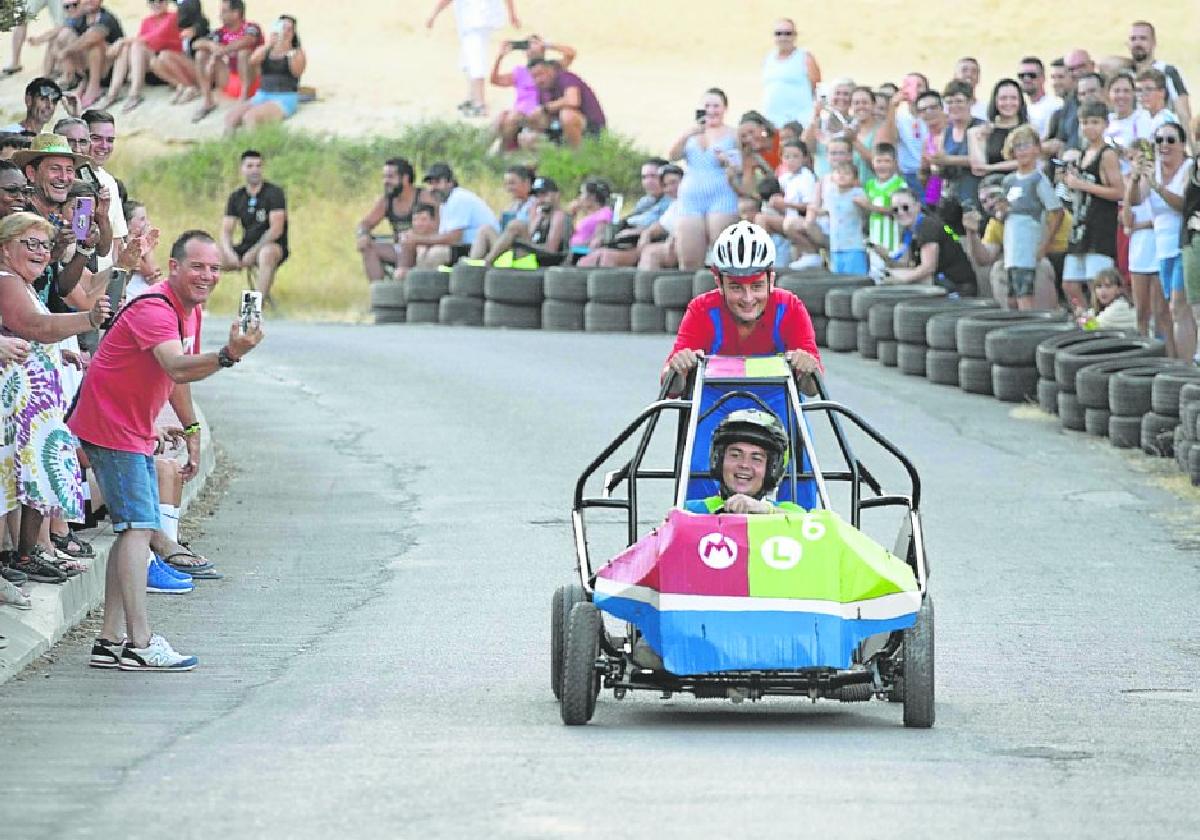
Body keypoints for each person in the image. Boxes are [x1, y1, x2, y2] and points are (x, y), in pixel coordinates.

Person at [69, 229, 261, 672]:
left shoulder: (185, 310)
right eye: (197, 266)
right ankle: (139, 642)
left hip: (126, 426)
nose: (207, 275)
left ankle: (108, 640)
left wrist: (189, 427)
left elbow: (176, 377)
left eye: (214, 268)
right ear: (173, 267)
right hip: (112, 427)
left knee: (132, 529)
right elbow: (176, 364)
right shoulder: (156, 309)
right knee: (139, 527)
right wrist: (229, 354)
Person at [0, 211, 111, 584]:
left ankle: (25, 554)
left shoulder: (22, 282)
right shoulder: (6, 281)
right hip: (17, 404)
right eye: (29, 244)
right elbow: (36, 326)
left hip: (35, 404)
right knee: (22, 478)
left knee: (32, 478)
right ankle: (18, 556)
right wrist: (87, 321)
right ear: (4, 249)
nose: (40, 252)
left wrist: (61, 348)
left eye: (45, 245)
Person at [664, 221, 822, 392]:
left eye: (756, 286)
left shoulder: (790, 308)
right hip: (714, 404)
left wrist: (808, 370)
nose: (748, 299)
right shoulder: (702, 310)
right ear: (719, 283)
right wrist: (677, 370)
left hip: (776, 402)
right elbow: (672, 389)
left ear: (771, 281)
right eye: (736, 287)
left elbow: (813, 390)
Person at [1132, 121, 1195, 362]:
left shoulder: (1190, 168)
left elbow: (1185, 204)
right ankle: (1172, 363)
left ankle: (1187, 365)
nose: (1164, 145)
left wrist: (1157, 186)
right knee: (1163, 312)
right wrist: (1136, 178)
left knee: (1179, 307)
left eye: (1170, 140)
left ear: (1181, 144)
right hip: (1161, 248)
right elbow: (1135, 202)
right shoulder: (1153, 169)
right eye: (1159, 140)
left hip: (1185, 245)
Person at [962, 174, 1064, 310]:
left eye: (993, 196)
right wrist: (972, 233)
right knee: (999, 269)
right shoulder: (995, 223)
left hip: (1064, 258)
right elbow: (984, 259)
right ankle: (1014, 322)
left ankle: (1045, 320)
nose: (989, 204)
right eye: (984, 202)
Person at [1060, 102, 1123, 311]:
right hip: (1080, 225)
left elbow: (1118, 192)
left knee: (1097, 283)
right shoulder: (1082, 152)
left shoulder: (1107, 154)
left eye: (1095, 122)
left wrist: (1084, 185)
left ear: (1105, 124)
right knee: (1070, 283)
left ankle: (1104, 326)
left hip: (1100, 226)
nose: (1089, 128)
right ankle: (1089, 325)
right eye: (1085, 123)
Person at [669, 88, 741, 270]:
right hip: (691, 197)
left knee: (722, 255)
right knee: (689, 258)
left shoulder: (733, 134)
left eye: (716, 106)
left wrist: (727, 159)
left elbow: (741, 164)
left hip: (721, 195)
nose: (711, 111)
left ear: (725, 108)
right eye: (707, 106)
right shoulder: (692, 134)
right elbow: (673, 155)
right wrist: (688, 134)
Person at [683, 410, 804, 515]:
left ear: (772, 469)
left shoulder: (790, 512)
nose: (744, 465)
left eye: (756, 458)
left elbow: (817, 523)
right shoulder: (692, 511)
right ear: (719, 461)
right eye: (735, 455)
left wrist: (767, 511)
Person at [998, 127, 1064, 310]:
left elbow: (1057, 211)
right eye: (1017, 146)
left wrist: (1044, 244)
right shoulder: (1009, 181)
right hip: (1011, 248)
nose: (1022, 151)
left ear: (1036, 148)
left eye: (1027, 145)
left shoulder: (1038, 180)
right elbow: (1002, 215)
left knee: (1025, 297)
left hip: (1027, 248)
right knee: (1011, 299)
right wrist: (1000, 212)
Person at [396, 162, 496, 273]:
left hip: (478, 248)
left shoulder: (459, 198)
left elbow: (453, 238)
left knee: (435, 255)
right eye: (430, 184)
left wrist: (417, 239)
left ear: (450, 182)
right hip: (463, 247)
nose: (433, 188)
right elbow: (443, 234)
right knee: (422, 252)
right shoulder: (444, 203)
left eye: (437, 183)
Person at [426, 0, 519, 118]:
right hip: (472, 19)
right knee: (468, 58)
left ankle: (479, 103)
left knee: (476, 59)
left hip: (476, 18)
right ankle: (472, 97)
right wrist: (512, 14)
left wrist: (433, 14)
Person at [876, 188, 977, 297]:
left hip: (958, 287)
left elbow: (928, 268)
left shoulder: (927, 226)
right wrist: (886, 258)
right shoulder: (908, 230)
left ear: (917, 206)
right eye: (895, 210)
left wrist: (899, 277)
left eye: (905, 207)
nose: (901, 212)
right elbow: (906, 264)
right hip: (940, 282)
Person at [575, 158, 670, 267]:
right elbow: (626, 220)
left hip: (646, 243)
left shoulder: (673, 201)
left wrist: (640, 231)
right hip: (624, 240)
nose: (648, 182)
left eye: (653, 176)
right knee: (585, 259)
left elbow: (667, 226)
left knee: (603, 257)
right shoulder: (645, 201)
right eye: (644, 177)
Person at [220, 149, 287, 303]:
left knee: (266, 254)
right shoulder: (236, 196)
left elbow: (276, 229)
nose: (255, 170)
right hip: (246, 245)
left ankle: (254, 308)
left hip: (271, 245)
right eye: (250, 166)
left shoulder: (274, 193)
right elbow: (226, 231)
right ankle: (198, 309)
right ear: (242, 169)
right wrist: (229, 252)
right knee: (209, 257)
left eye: (258, 166)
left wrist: (253, 252)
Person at [489, 34, 575, 153]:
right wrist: (500, 57)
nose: (531, 49)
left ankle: (503, 149)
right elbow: (495, 80)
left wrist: (548, 45)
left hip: (539, 112)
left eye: (534, 45)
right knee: (501, 119)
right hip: (519, 112)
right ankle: (502, 149)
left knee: (512, 117)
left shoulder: (551, 68)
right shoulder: (519, 72)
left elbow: (570, 54)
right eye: (527, 46)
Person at [94, 0, 182, 112]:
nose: (156, 4)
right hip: (150, 69)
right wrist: (124, 43)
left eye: (160, 0)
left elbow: (156, 38)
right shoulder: (147, 21)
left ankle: (134, 94)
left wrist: (122, 41)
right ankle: (112, 93)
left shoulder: (173, 17)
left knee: (135, 45)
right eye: (152, 1)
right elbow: (140, 42)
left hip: (165, 68)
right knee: (127, 48)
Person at [224, 15, 305, 134]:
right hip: (262, 95)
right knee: (231, 117)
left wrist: (287, 49)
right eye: (283, 28)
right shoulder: (266, 50)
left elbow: (296, 72)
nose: (285, 32)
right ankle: (228, 147)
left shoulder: (296, 52)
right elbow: (253, 61)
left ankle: (253, 148)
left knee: (251, 118)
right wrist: (270, 44)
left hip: (284, 97)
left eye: (289, 29)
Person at [189, 0, 263, 123]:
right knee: (201, 54)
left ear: (236, 13)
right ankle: (208, 102)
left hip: (253, 82)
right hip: (230, 81)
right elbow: (195, 44)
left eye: (224, 11)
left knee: (244, 53)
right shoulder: (220, 32)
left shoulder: (251, 27)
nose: (220, 15)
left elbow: (248, 40)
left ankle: (243, 100)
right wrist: (210, 44)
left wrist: (224, 49)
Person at [475, 174, 567, 267]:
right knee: (485, 229)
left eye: (544, 195)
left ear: (556, 195)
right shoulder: (539, 214)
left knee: (516, 225)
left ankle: (486, 263)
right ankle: (470, 266)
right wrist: (536, 219)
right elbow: (531, 236)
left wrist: (521, 243)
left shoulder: (558, 216)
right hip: (526, 253)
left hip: (542, 260)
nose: (540, 200)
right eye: (537, 196)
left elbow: (551, 251)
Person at [1127, 20, 1191, 148]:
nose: (1138, 43)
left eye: (1143, 39)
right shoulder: (1126, 73)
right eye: (1133, 39)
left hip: (1163, 139)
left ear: (1154, 42)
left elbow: (1184, 114)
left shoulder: (1168, 71)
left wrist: (1191, 149)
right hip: (1134, 140)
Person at [355, 157, 418, 282]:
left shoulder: (424, 197)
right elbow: (366, 223)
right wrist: (363, 234)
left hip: (422, 247)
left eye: (390, 177)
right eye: (384, 177)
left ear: (405, 179)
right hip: (399, 248)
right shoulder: (387, 201)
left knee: (407, 242)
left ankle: (400, 284)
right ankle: (381, 293)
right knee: (368, 247)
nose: (385, 181)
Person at [56, 0, 123, 114]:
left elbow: (92, 37)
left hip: (109, 70)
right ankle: (81, 80)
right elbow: (62, 32)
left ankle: (94, 88)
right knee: (66, 35)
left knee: (95, 45)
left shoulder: (106, 18)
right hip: (89, 67)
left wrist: (65, 51)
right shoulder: (81, 17)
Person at [527, 58, 605, 147]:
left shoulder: (566, 77)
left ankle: (578, 156)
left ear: (550, 70)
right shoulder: (541, 90)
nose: (538, 80)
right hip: (560, 129)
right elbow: (545, 117)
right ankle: (552, 158)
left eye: (541, 74)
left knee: (567, 115)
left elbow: (573, 101)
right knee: (526, 137)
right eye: (534, 77)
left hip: (591, 127)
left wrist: (544, 108)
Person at [466, 163, 536, 259]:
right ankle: (473, 263)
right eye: (506, 184)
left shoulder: (534, 204)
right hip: (507, 247)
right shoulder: (513, 206)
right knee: (484, 229)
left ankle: (488, 261)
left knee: (515, 225)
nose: (508, 188)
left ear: (526, 183)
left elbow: (532, 232)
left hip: (524, 248)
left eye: (512, 183)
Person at [934, 80, 986, 208]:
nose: (954, 106)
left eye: (959, 101)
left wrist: (947, 160)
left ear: (971, 102)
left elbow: (981, 161)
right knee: (947, 229)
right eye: (949, 102)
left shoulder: (981, 128)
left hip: (976, 196)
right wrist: (932, 198)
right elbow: (938, 171)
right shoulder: (944, 133)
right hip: (950, 201)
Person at [761, 18, 819, 129]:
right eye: (778, 33)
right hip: (772, 122)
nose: (783, 38)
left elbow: (816, 87)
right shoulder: (768, 58)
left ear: (795, 36)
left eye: (788, 33)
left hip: (799, 122)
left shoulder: (805, 57)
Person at [969, 78, 1030, 183]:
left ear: (1020, 101)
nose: (1008, 103)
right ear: (995, 101)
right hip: (991, 189)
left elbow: (1025, 162)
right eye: (1003, 98)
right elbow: (978, 169)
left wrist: (990, 168)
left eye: (1013, 98)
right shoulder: (982, 131)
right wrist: (979, 138)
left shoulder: (1028, 130)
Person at [818, 160, 870, 275]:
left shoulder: (858, 193)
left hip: (854, 245)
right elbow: (825, 211)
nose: (841, 175)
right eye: (838, 172)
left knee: (855, 277)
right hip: (836, 246)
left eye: (847, 173)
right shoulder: (830, 194)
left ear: (855, 179)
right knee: (838, 277)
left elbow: (866, 210)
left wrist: (863, 204)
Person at [864, 143, 906, 254]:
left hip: (893, 243)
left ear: (895, 163)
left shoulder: (899, 184)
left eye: (887, 161)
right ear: (872, 162)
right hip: (874, 240)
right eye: (879, 161)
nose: (882, 165)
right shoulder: (870, 185)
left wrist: (871, 207)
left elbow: (900, 211)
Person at [1079, 267, 1137, 331]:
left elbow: (1093, 326)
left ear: (1119, 289)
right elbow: (1091, 315)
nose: (1102, 291)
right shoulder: (1106, 307)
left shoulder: (1120, 306)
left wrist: (1082, 317)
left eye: (1108, 286)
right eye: (1099, 287)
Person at [565, 178, 612, 256]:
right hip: (573, 249)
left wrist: (575, 246)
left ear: (592, 196)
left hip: (581, 252)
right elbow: (571, 234)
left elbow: (598, 238)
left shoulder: (604, 212)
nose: (579, 197)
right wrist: (573, 214)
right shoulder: (589, 216)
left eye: (582, 193)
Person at [1018, 57, 1061, 138]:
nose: (1026, 79)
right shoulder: (1018, 107)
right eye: (1021, 76)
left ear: (1043, 78)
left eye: (1032, 75)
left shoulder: (1055, 105)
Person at [953, 56, 988, 121]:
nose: (969, 74)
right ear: (955, 76)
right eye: (964, 70)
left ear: (978, 78)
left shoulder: (987, 109)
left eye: (974, 71)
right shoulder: (944, 107)